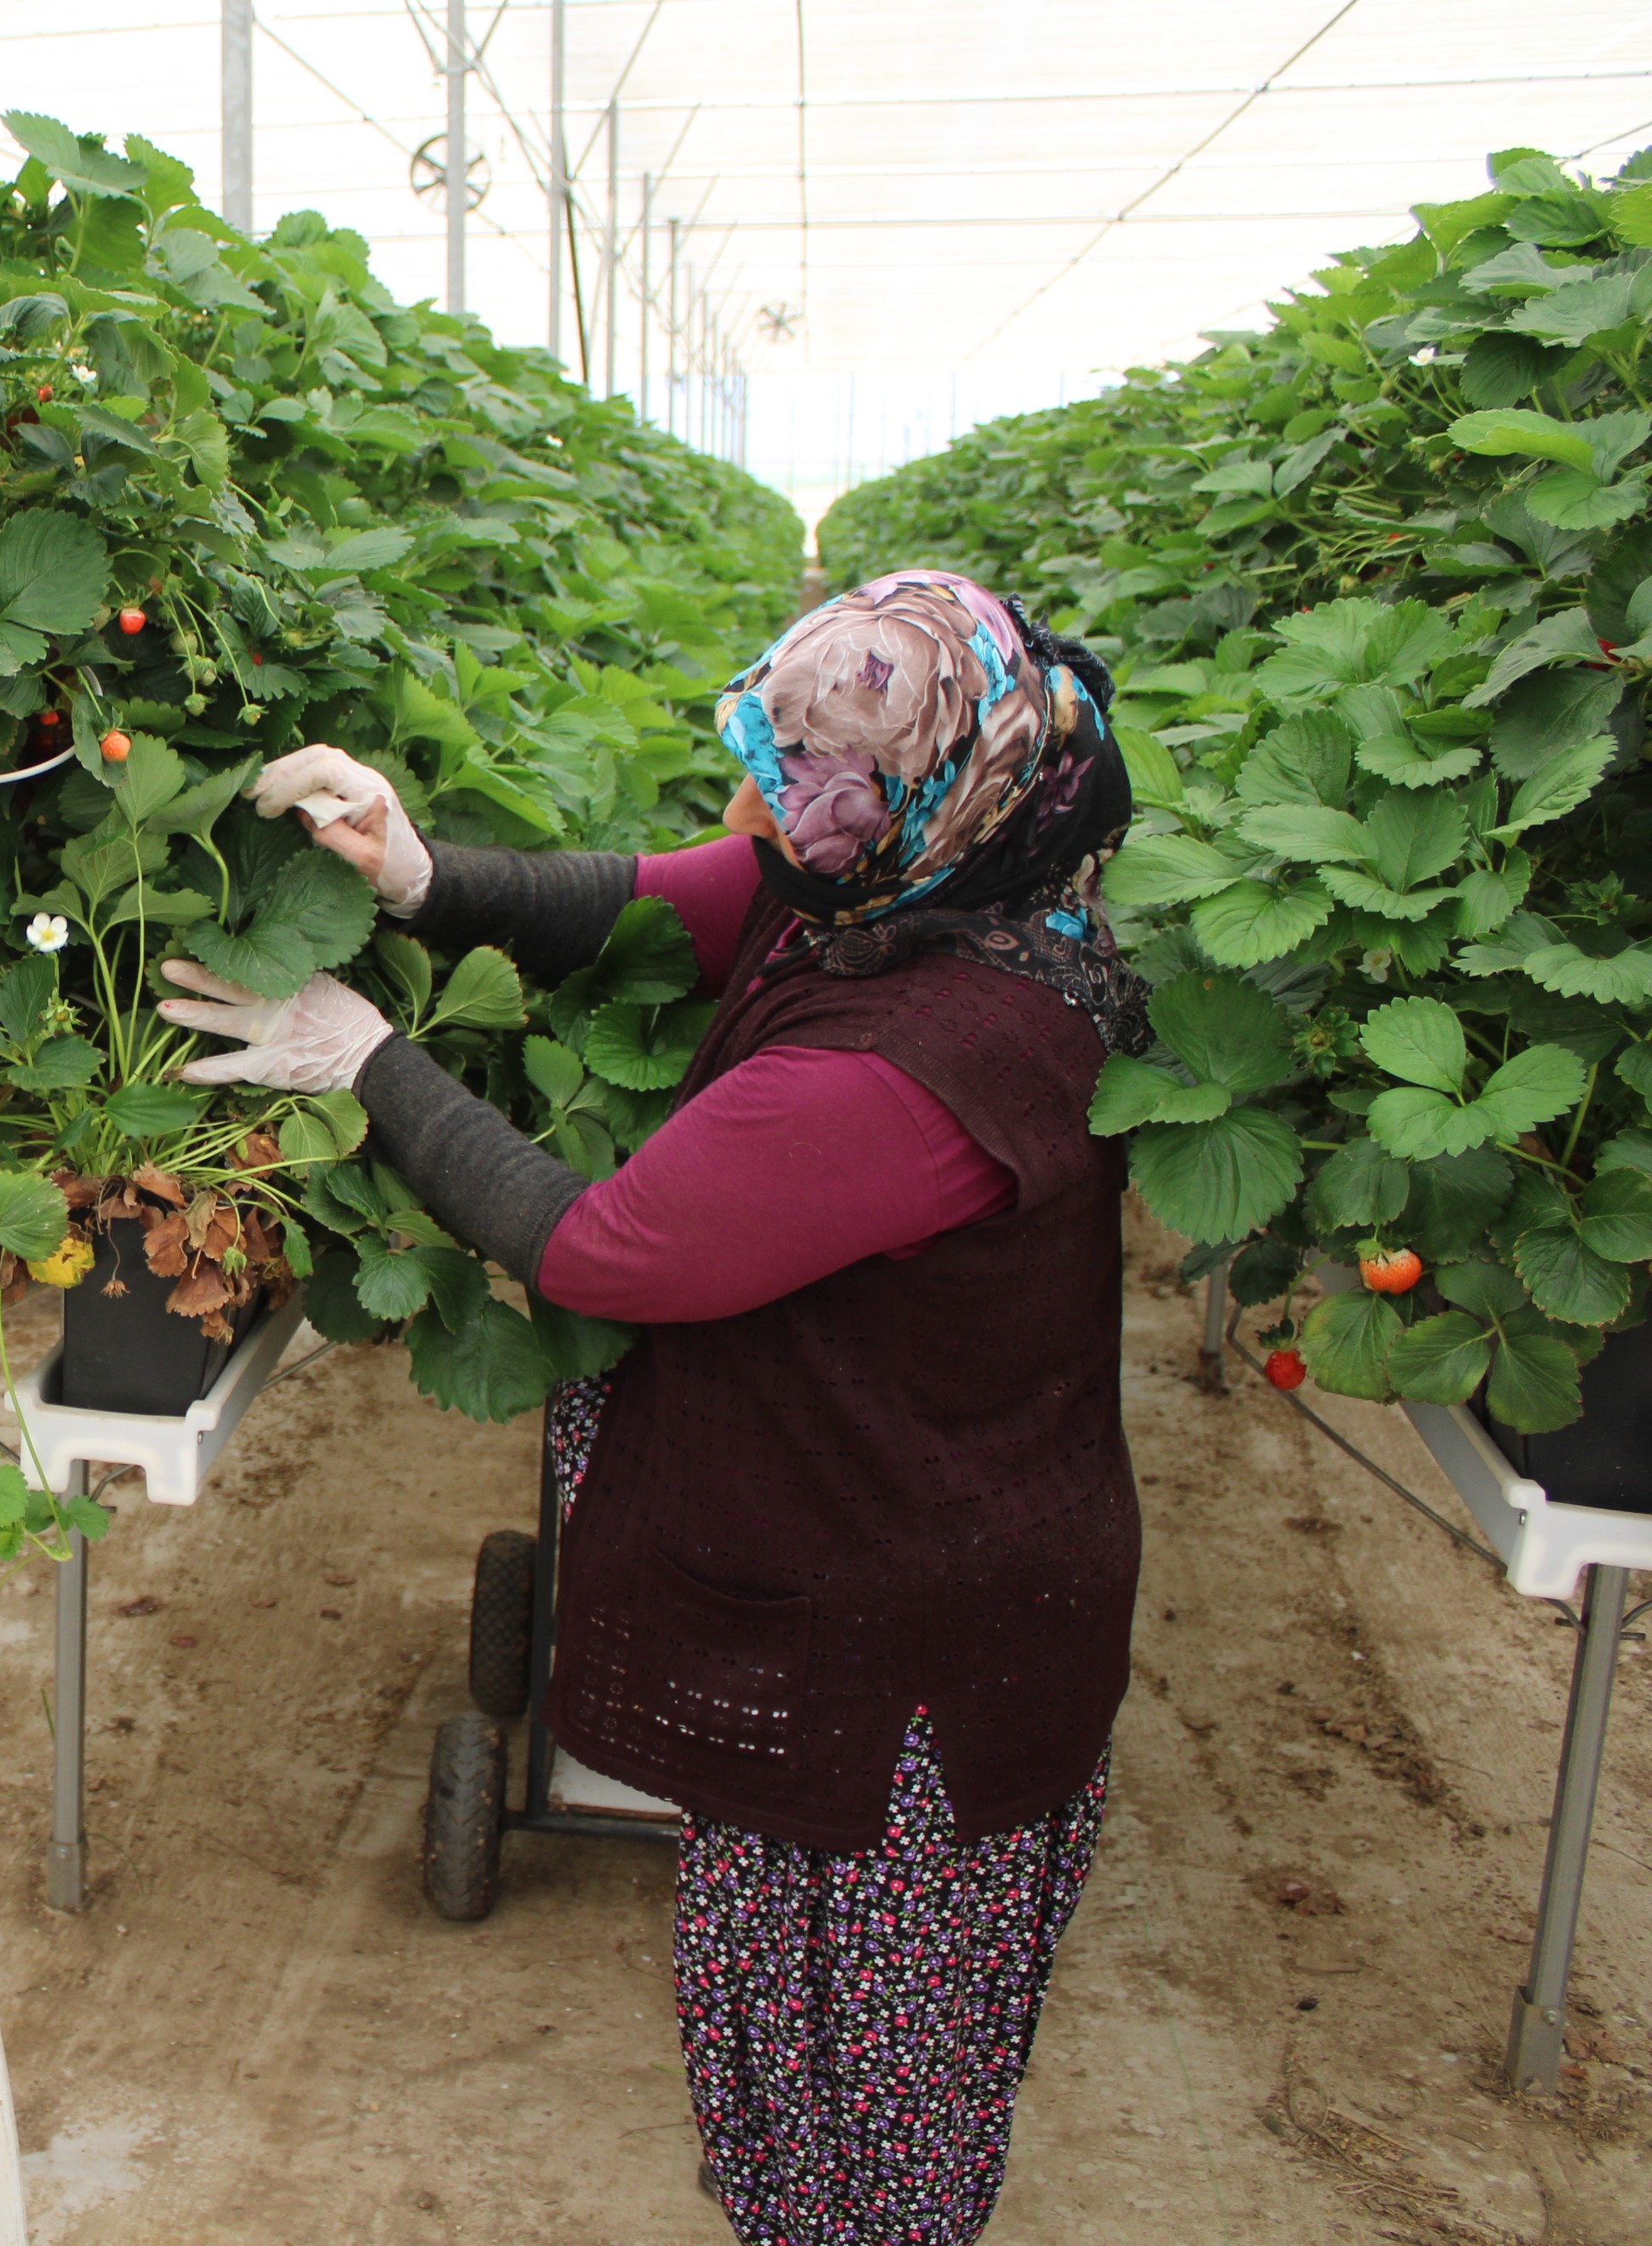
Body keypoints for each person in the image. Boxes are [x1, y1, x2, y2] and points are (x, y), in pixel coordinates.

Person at [161, 572, 1149, 2246]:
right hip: (855, 1562)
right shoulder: (920, 878)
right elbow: (636, 900)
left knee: (881, 2100)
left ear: (889, 800)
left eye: (784, 768)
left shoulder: (915, 1065)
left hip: (912, 1662)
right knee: (786, 2052)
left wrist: (370, 1061)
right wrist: (409, 872)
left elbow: (606, 1247)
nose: (750, 796)